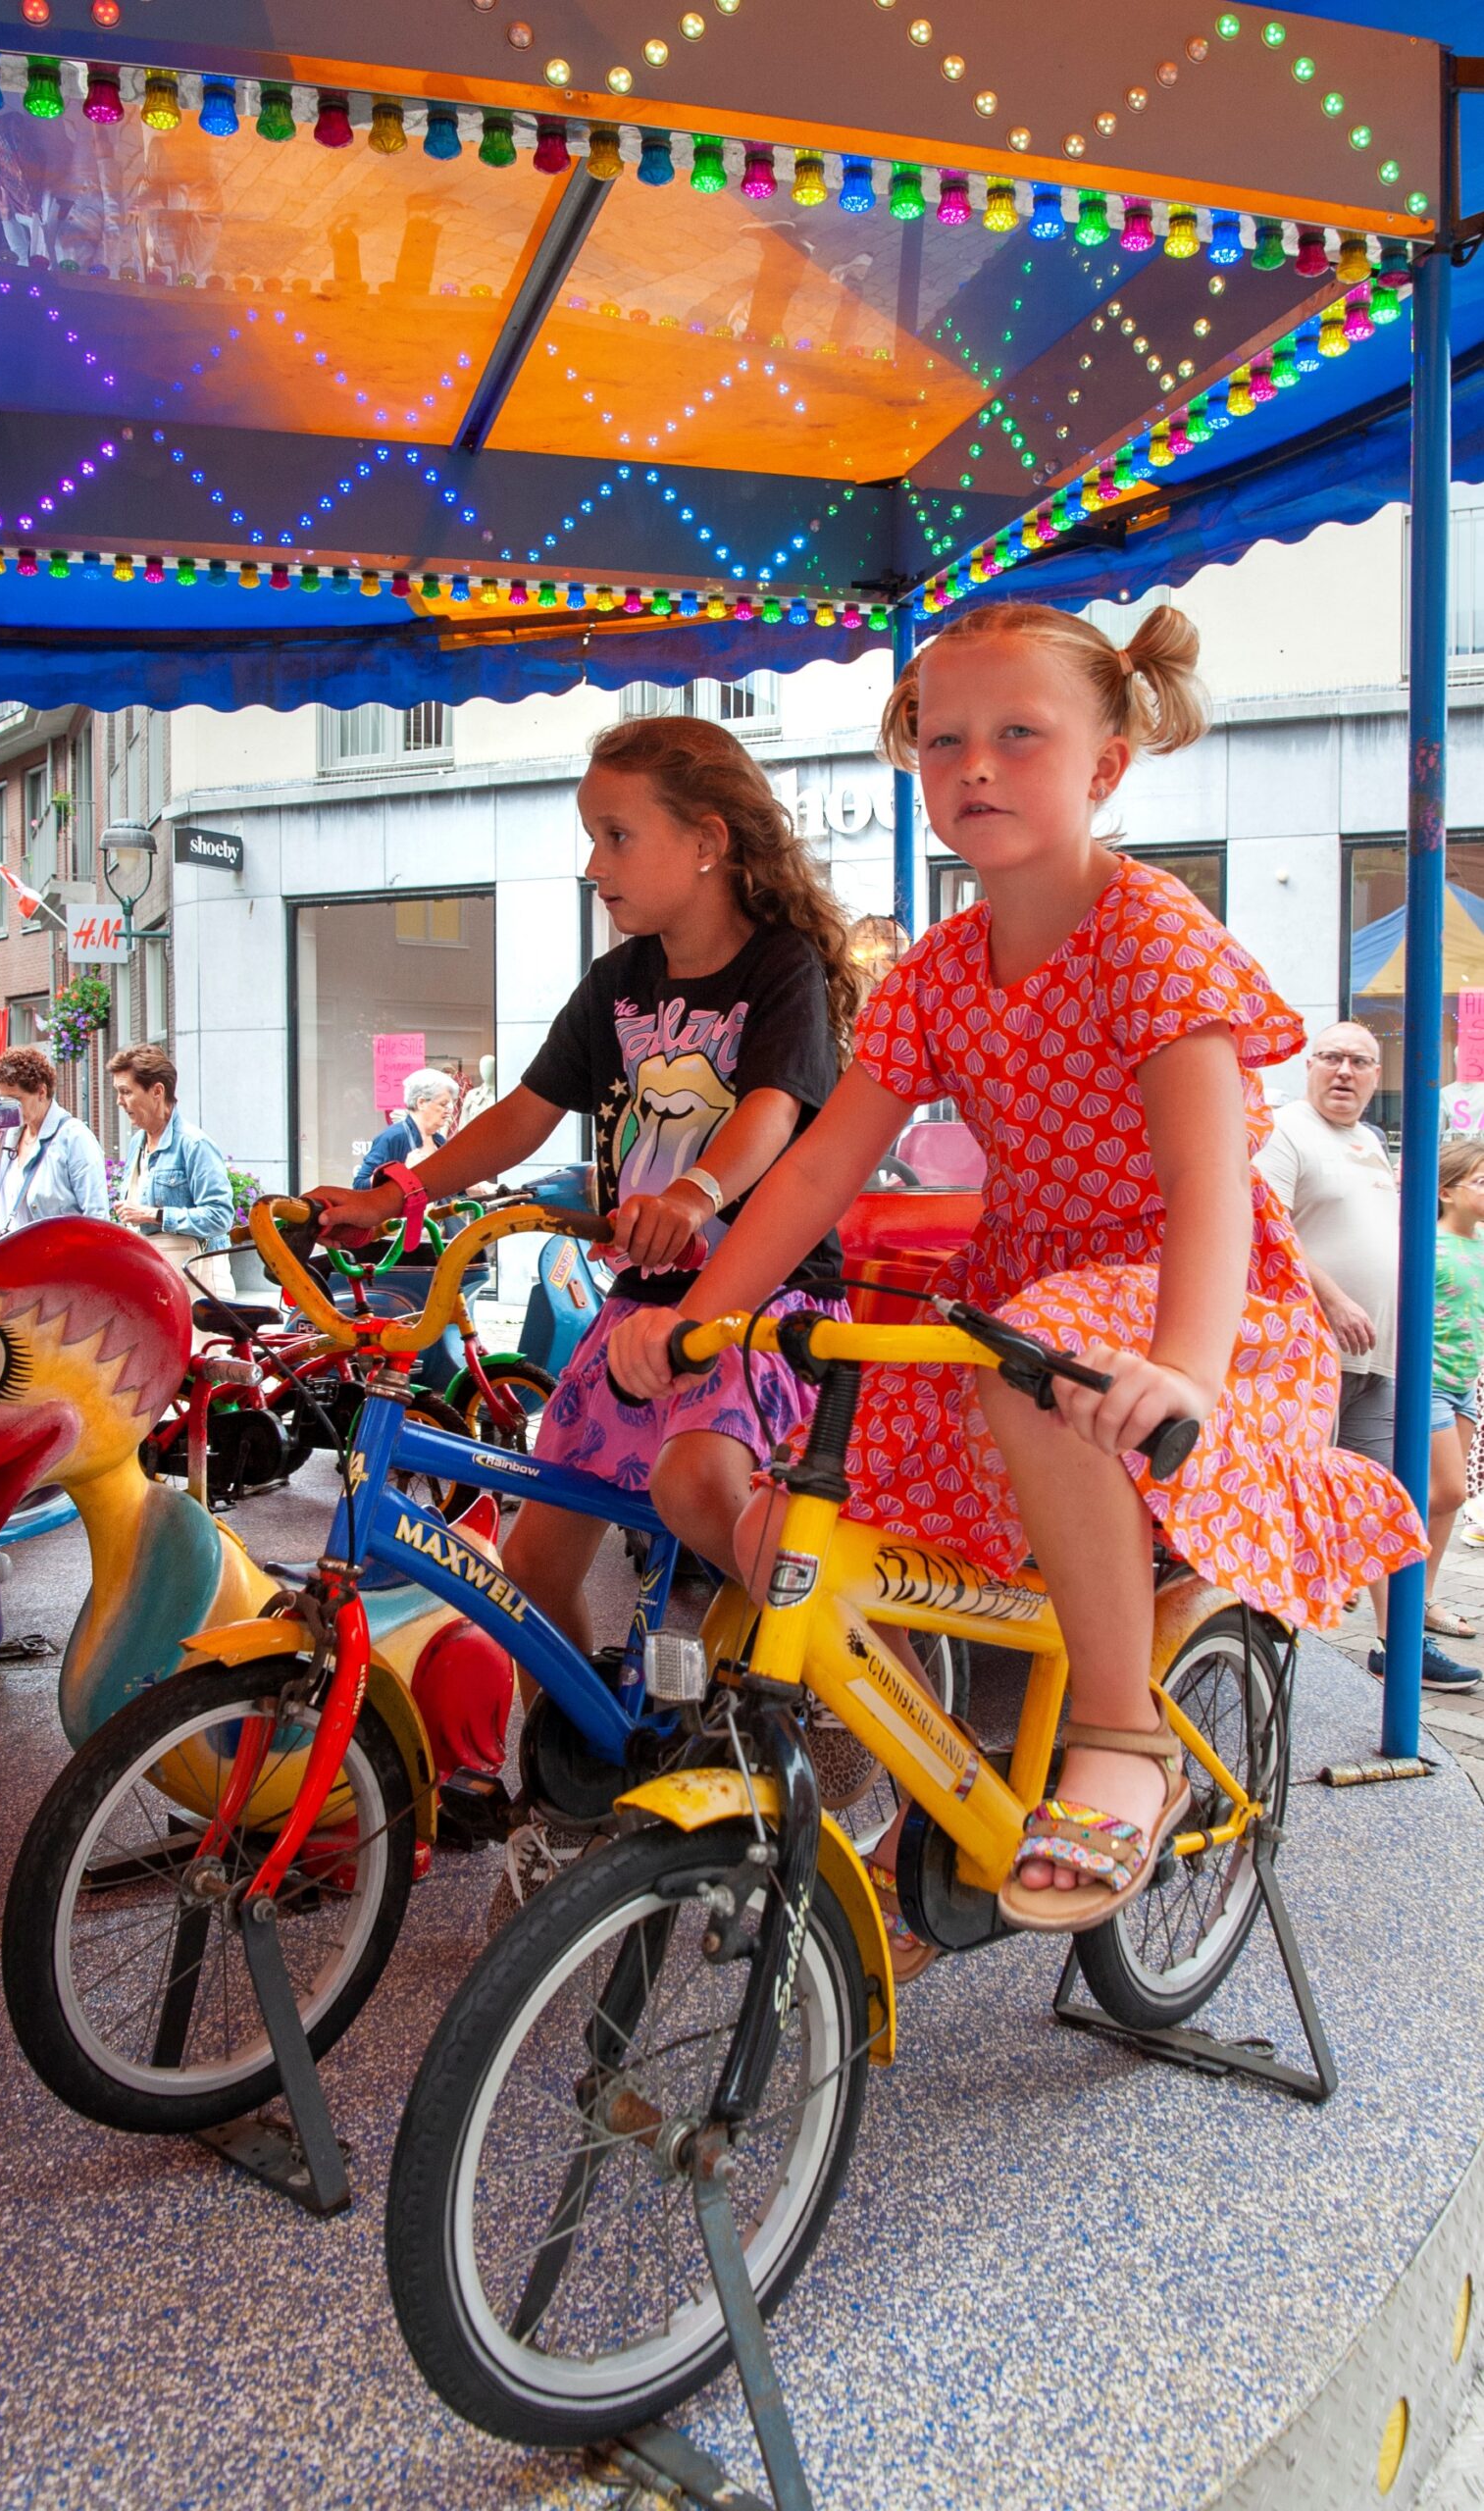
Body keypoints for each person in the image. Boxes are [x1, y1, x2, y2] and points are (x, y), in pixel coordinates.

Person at [610, 599, 1425, 1959]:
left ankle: (1115, 1728)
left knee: (1039, 1356)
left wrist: (1180, 1360)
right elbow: (814, 1173)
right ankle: (917, 1774)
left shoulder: (1146, 934)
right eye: (941, 742)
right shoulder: (934, 971)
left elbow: (1202, 1181)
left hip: (1188, 1302)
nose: (971, 767)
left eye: (1014, 737)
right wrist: (700, 1315)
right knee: (787, 1488)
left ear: (1103, 766)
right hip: (1020, 1312)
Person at [310, 712, 858, 1639]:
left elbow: (772, 1108)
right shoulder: (616, 984)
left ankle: (848, 1654)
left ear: (705, 843)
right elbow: (524, 1113)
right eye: (590, 838)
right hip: (638, 1305)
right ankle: (576, 1767)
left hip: (760, 1303)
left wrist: (693, 1194)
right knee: (528, 1567)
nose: (592, 864)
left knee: (699, 1488)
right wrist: (395, 1193)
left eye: (615, 836)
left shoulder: (779, 968)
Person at [1256, 1023, 1475, 1688]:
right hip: (1310, 1355)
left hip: (1377, 1361)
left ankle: (1397, 1643)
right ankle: (1265, 1641)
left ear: (1377, 1075)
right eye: (1332, 1058)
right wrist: (1333, 1299)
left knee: (1391, 1500)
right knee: (1292, 1497)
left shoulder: (1369, 1143)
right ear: (1309, 1066)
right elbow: (1263, 1226)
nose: (1344, 1071)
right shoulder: (1285, 1129)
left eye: (1359, 1061)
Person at [107, 1042, 235, 1302]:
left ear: (157, 1091)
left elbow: (220, 1217)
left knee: (201, 1345)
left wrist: (155, 1215)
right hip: (157, 1281)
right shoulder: (138, 1142)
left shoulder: (194, 1144)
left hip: (197, 1283)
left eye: (126, 1092)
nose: (120, 1101)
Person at [1428, 1138, 1484, 1619]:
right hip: (1428, 1383)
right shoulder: (1430, 1245)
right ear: (1447, 1191)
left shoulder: (1481, 1242)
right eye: (1481, 1181)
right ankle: (1388, 1570)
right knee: (1447, 1491)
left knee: (1445, 1503)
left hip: (1464, 1382)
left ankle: (1421, 1599)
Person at [0, 1045, 109, 1233]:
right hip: (12, 1259)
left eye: (16, 1100)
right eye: (4, 1100)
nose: (9, 1108)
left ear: (41, 1092)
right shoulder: (7, 1137)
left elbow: (97, 1217)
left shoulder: (74, 1137)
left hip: (59, 1259)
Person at [351, 1069, 458, 1190]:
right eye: (443, 1104)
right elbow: (359, 1186)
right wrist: (403, 1172)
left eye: (451, 1105)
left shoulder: (439, 1141)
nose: (450, 1110)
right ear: (421, 1103)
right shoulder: (392, 1138)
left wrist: (466, 1188)